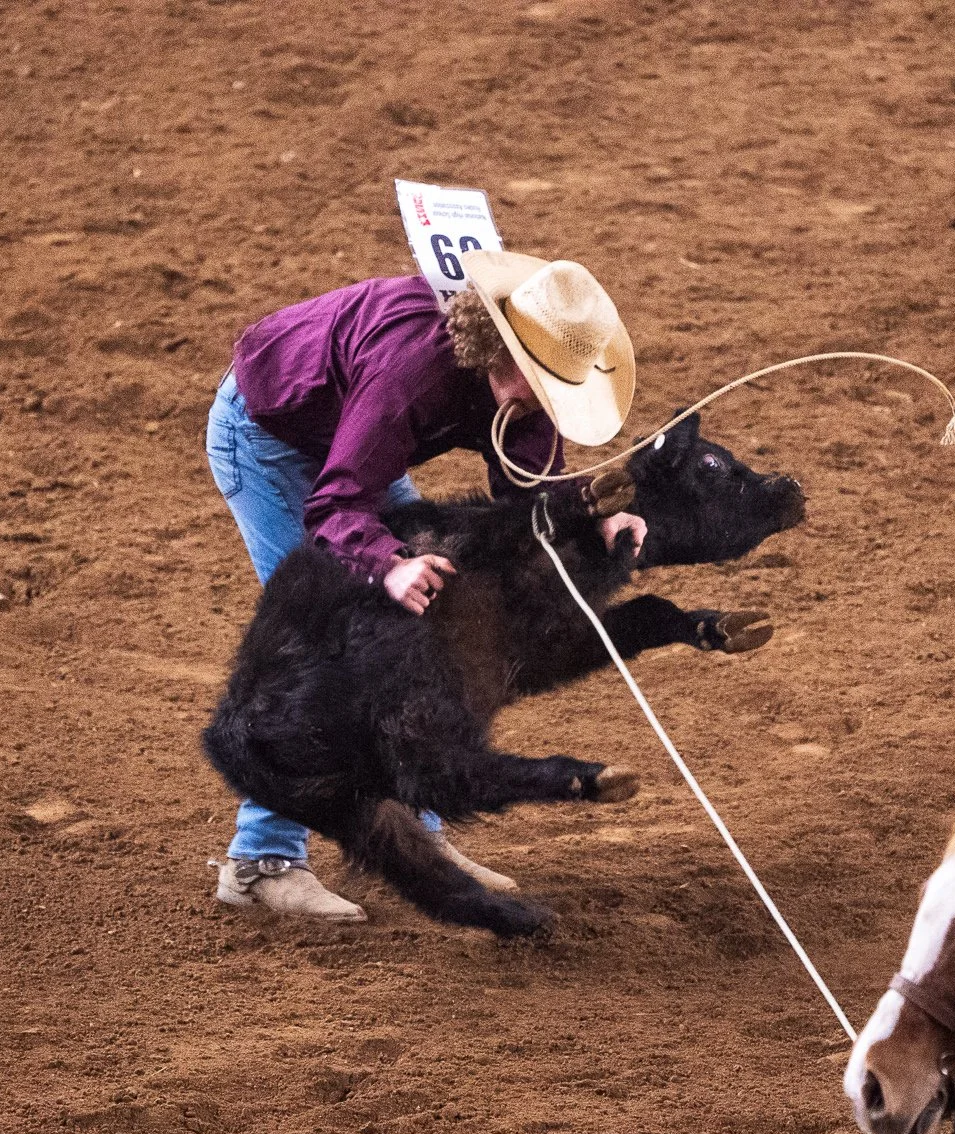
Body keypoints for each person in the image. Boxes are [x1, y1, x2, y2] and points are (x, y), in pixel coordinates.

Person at [204, 250, 642, 921]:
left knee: (435, 619)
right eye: (537, 379)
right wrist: (389, 562)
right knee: (319, 650)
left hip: (353, 442)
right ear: (500, 346)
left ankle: (421, 833)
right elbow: (336, 505)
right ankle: (262, 860)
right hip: (269, 438)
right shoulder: (407, 374)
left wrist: (592, 521)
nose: (540, 399)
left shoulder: (524, 395)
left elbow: (527, 497)